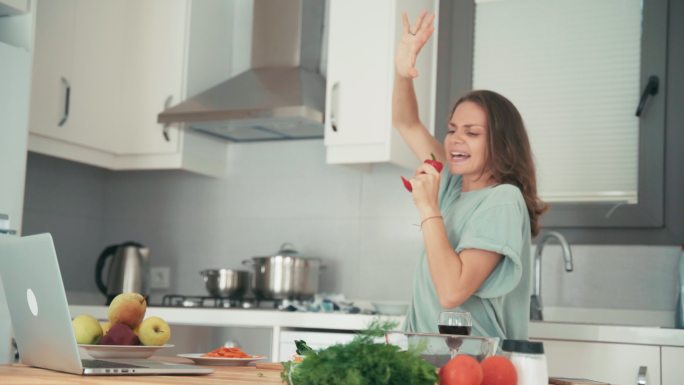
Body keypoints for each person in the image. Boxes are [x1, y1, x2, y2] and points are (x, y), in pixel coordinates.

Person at [393, 11, 547, 340]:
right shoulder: (453, 186)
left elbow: (452, 292)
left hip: (473, 366)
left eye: (472, 132)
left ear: (500, 142)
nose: (455, 140)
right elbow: (406, 123)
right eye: (452, 130)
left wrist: (427, 208)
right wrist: (402, 73)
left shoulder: (502, 200)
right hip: (430, 360)